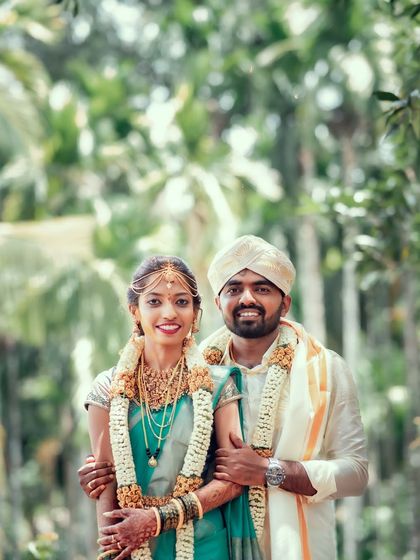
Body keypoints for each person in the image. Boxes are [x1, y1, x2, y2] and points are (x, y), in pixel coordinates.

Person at [81, 236, 368, 560]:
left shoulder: (325, 371)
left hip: (294, 543)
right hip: (206, 541)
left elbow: (356, 473)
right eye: (233, 289)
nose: (247, 298)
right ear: (218, 303)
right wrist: (102, 475)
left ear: (285, 303)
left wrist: (270, 470)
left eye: (262, 288)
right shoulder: (196, 371)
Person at [84, 255, 261, 560]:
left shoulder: (219, 385)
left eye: (181, 302)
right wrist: (113, 546)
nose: (169, 313)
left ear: (195, 313)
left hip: (205, 544)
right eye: (154, 301)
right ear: (135, 312)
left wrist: (157, 520)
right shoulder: (108, 388)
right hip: (132, 545)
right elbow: (104, 480)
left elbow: (232, 481)